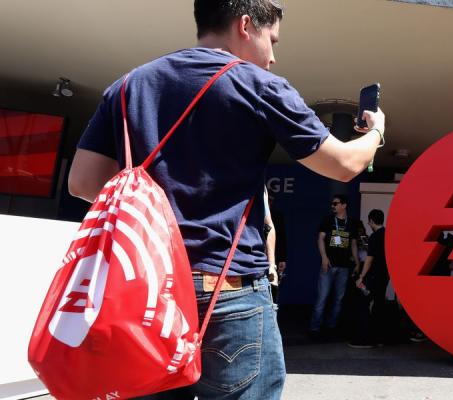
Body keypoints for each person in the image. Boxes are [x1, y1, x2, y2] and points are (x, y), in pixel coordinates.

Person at [67, 0, 387, 398]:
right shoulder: (259, 86)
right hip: (227, 289)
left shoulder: (128, 85)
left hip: (142, 289)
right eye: (273, 40)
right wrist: (376, 132)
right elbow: (344, 165)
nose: (273, 56)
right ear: (246, 25)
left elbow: (83, 182)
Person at [310, 194, 360, 337]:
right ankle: (314, 328)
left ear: (344, 205)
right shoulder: (328, 220)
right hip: (329, 265)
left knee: (339, 299)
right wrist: (324, 258)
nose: (332, 206)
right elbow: (320, 239)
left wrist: (357, 262)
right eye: (332, 204)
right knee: (322, 297)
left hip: (344, 266)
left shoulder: (352, 222)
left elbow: (354, 244)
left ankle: (331, 326)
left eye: (335, 203)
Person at [350, 209, 390, 347]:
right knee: (379, 305)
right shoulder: (388, 234)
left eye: (369, 222)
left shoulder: (374, 237)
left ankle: (365, 338)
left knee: (363, 303)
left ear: (371, 221)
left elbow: (370, 258)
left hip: (373, 276)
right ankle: (379, 338)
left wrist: (361, 276)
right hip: (384, 275)